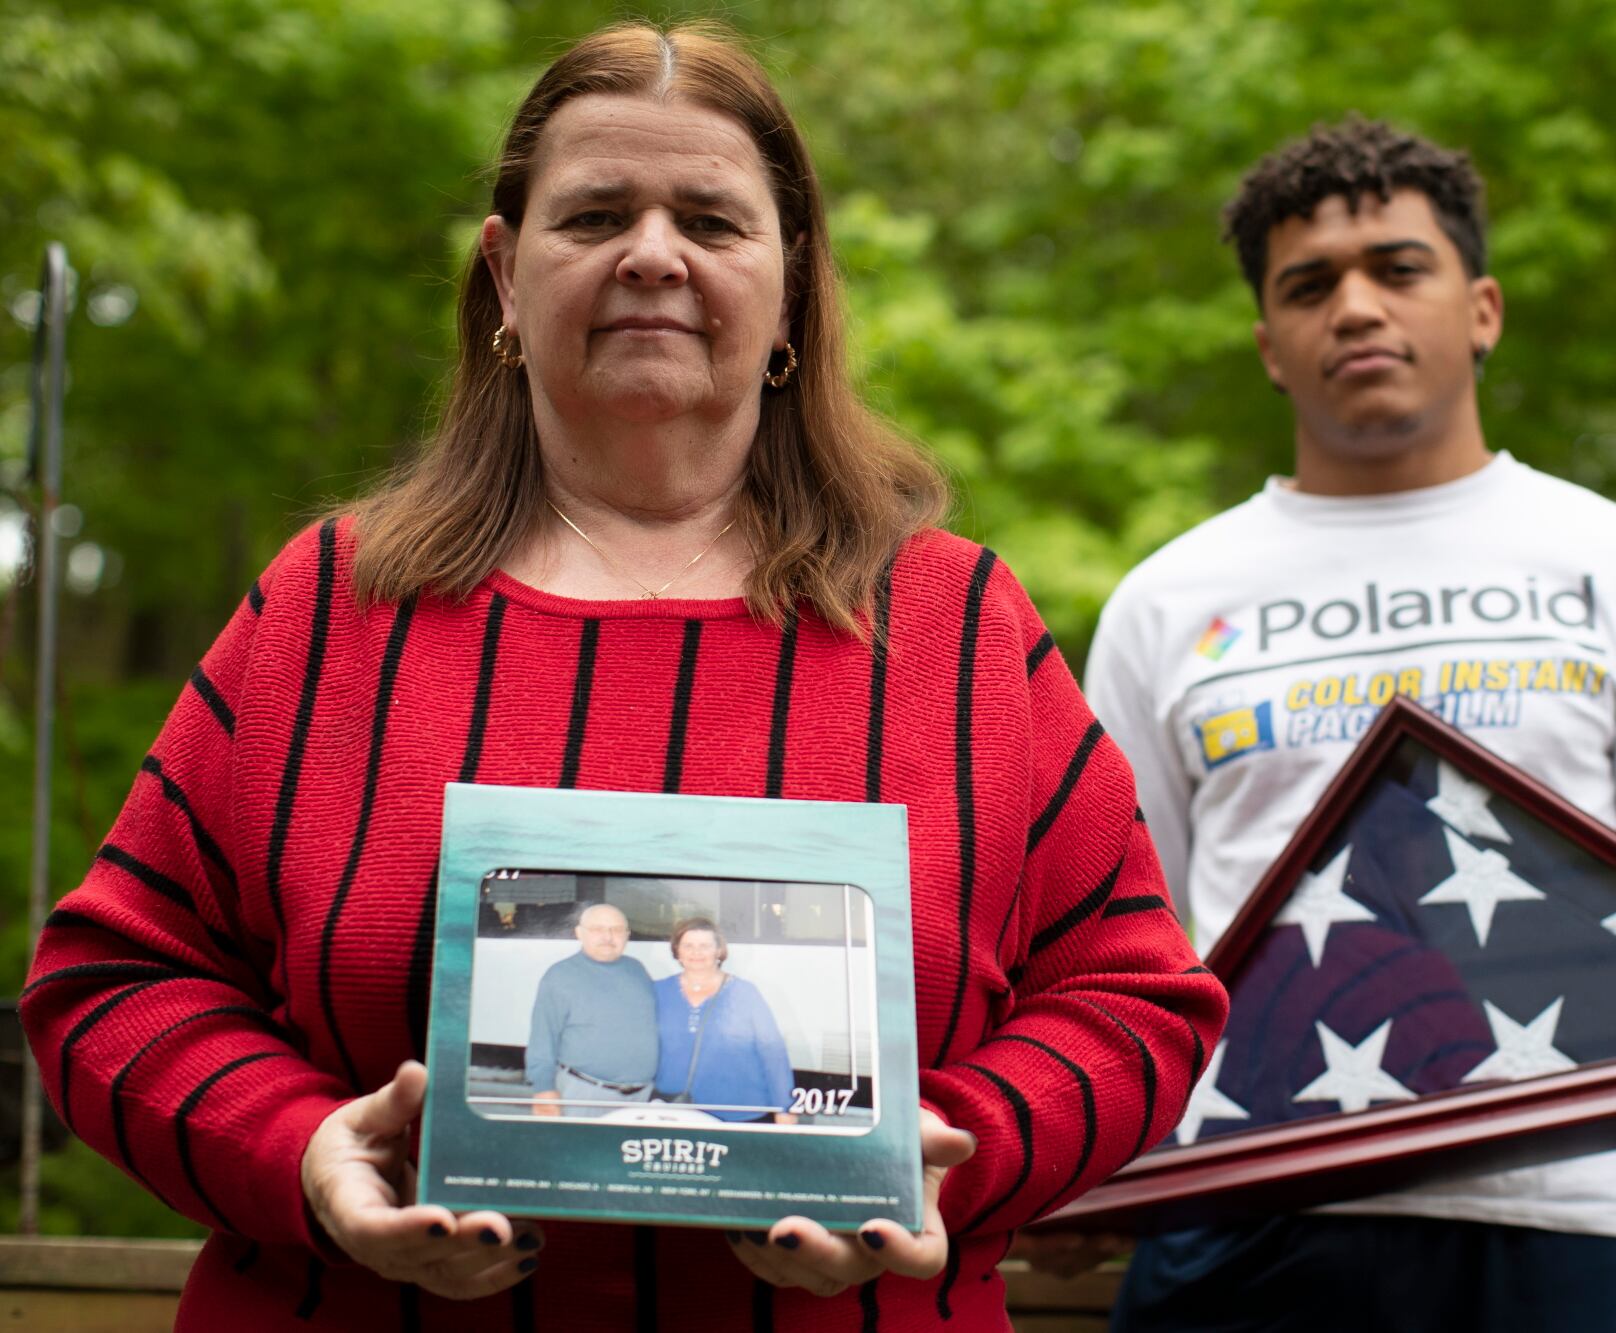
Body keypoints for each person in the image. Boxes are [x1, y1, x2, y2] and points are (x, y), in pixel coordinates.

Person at [19, 20, 1226, 1329]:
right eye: (595, 214)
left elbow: (1133, 1001)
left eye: (711, 220)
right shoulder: (331, 608)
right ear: (503, 278)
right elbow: (109, 987)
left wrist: (950, 1146)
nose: (653, 254)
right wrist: (299, 1149)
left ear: (792, 288)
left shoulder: (956, 624)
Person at [1076, 116, 1616, 1332]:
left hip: (1549, 1223)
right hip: (1231, 1219)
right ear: (1268, 343)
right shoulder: (1165, 599)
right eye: (1308, 285)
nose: (1357, 307)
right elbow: (1123, 944)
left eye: (1398, 267)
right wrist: (1071, 1158)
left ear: (1479, 307)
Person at [650, 917, 795, 1123]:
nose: (696, 952)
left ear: (718, 951)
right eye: (688, 945)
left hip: (739, 1112)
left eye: (705, 946)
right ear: (677, 951)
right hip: (675, 1112)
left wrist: (785, 1109)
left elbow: (773, 1053)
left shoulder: (744, 993)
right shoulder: (657, 991)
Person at [524, 903, 658, 1117]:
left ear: (627, 935)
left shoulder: (637, 969)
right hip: (584, 1095)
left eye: (616, 929)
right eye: (597, 929)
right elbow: (543, 1037)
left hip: (640, 1098)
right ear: (579, 933)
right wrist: (543, 1088)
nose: (608, 936)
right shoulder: (560, 976)